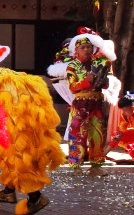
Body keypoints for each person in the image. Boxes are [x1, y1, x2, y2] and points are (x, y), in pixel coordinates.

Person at [49, 27, 117, 176]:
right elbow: (73, 87)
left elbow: (105, 85)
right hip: (81, 105)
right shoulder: (72, 66)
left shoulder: (99, 63)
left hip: (97, 104)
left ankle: (96, 165)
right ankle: (76, 166)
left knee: (98, 135)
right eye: (83, 47)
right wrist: (86, 81)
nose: (86, 50)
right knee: (77, 135)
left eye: (89, 47)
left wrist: (104, 80)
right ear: (76, 51)